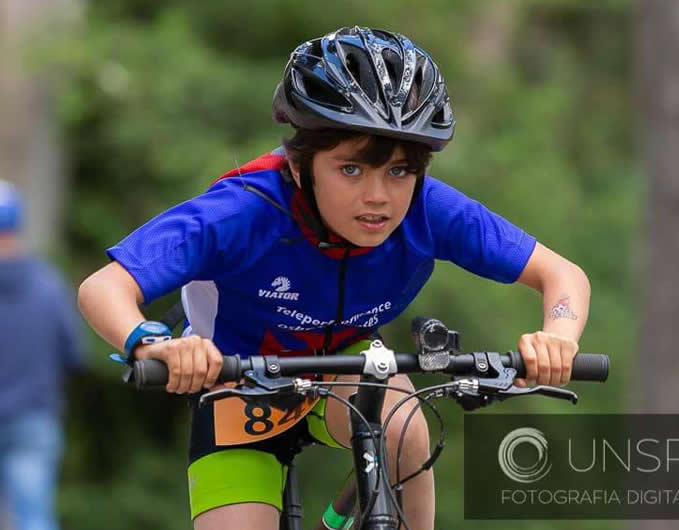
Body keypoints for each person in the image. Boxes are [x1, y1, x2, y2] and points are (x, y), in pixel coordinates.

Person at [76, 26, 590, 530]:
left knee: (405, 424)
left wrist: (558, 336)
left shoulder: (429, 210)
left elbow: (562, 276)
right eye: (351, 170)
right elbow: (103, 287)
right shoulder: (241, 212)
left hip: (345, 369)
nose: (378, 197)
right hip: (237, 382)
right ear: (301, 166)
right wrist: (151, 343)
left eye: (399, 171)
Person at [0, 180, 85, 530]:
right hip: (34, 417)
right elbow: (74, 355)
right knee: (34, 518)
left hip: (33, 417)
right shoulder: (49, 286)